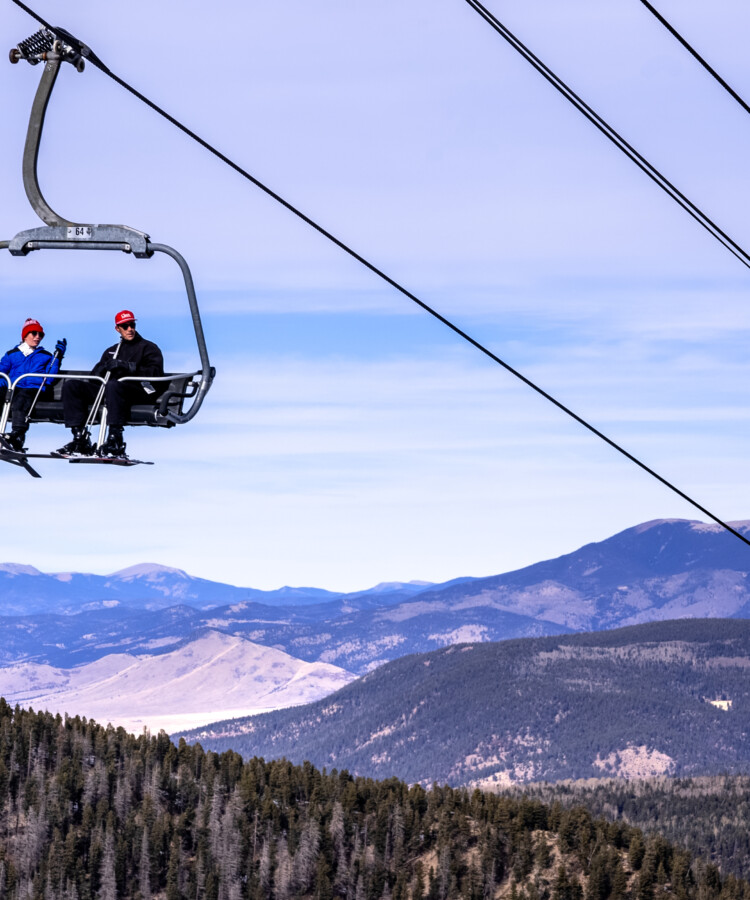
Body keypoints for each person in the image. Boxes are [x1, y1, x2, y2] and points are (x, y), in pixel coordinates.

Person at [57, 310, 164, 458]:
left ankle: (115, 439)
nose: (129, 329)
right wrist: (103, 367)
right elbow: (94, 378)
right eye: (125, 326)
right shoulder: (112, 351)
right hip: (111, 391)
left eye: (132, 325)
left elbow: (155, 373)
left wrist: (128, 366)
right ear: (117, 329)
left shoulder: (148, 348)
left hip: (138, 390)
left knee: (114, 385)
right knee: (72, 386)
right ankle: (79, 437)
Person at [0, 318, 66, 451]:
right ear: (25, 335)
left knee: (21, 398)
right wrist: (4, 384)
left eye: (40, 334)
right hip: (14, 387)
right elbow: (2, 372)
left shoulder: (46, 356)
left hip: (33, 389)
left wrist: (58, 357)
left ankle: (18, 434)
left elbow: (50, 375)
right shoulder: (12, 354)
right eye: (34, 333)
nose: (37, 337)